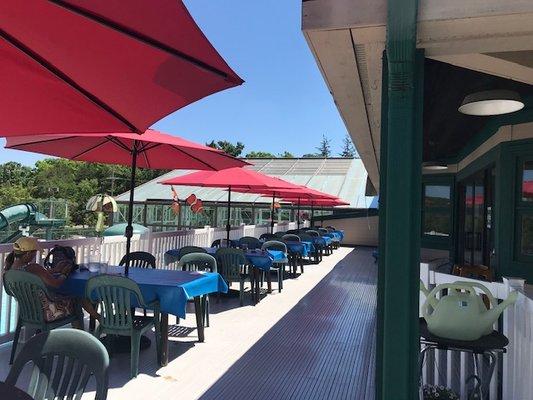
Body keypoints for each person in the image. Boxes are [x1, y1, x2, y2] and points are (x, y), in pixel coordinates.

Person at [4, 237, 99, 324]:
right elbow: (55, 284)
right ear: (28, 253)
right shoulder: (33, 268)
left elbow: (39, 274)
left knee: (76, 296)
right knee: (78, 296)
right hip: (47, 313)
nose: (34, 255)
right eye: (34, 253)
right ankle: (88, 327)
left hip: (29, 311)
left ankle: (98, 317)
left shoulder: (9, 270)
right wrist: (64, 273)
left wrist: (55, 270)